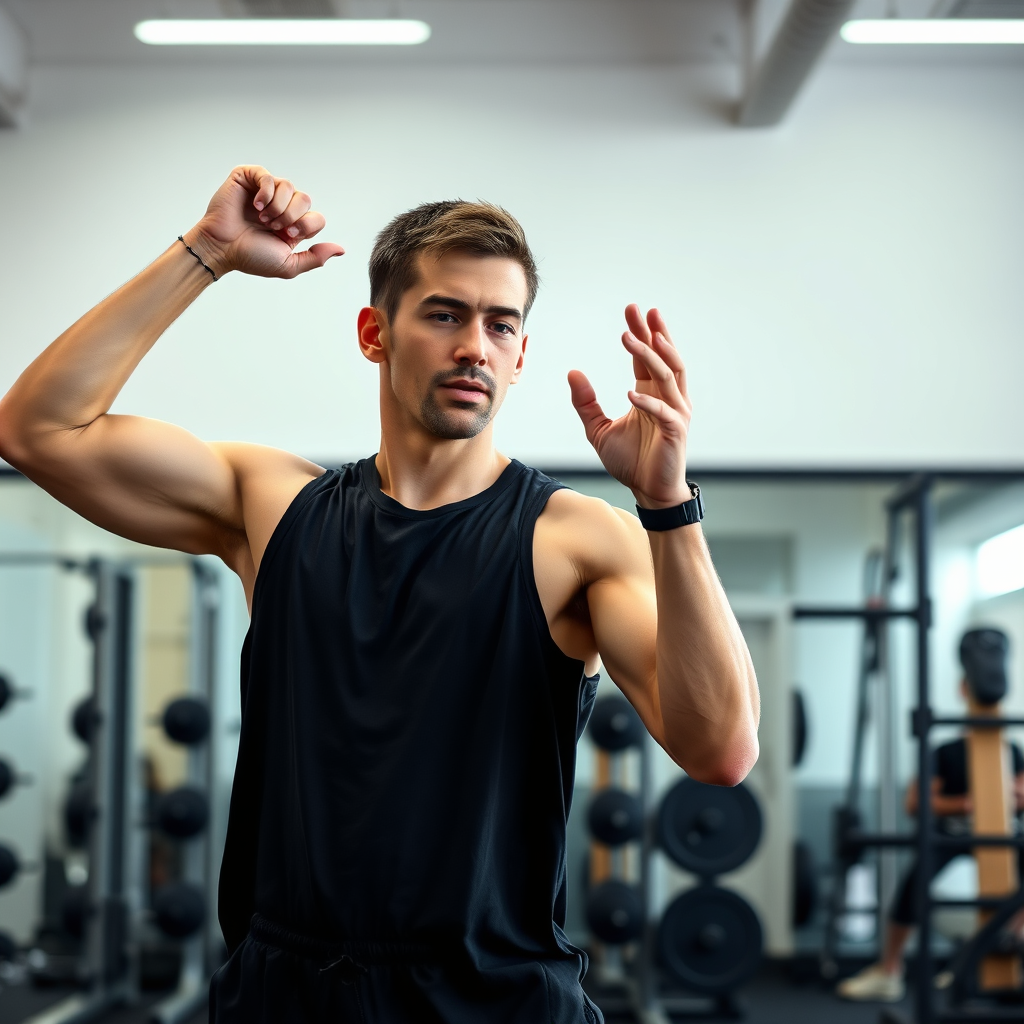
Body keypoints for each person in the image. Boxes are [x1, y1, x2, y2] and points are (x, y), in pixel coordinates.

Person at [0, 166, 759, 1023]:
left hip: (496, 1001)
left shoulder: (574, 538)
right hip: (284, 998)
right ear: (375, 333)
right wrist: (207, 252)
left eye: (501, 324)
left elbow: (720, 751)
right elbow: (39, 429)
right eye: (444, 314)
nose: (475, 344)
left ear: (520, 358)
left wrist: (667, 507)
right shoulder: (275, 505)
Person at [839, 628, 1024, 1004]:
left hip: (1002, 833)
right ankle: (889, 971)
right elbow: (916, 803)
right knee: (914, 884)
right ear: (963, 690)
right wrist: (969, 804)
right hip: (951, 835)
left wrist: (1011, 798)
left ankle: (1005, 947)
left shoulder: (1012, 750)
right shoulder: (945, 749)